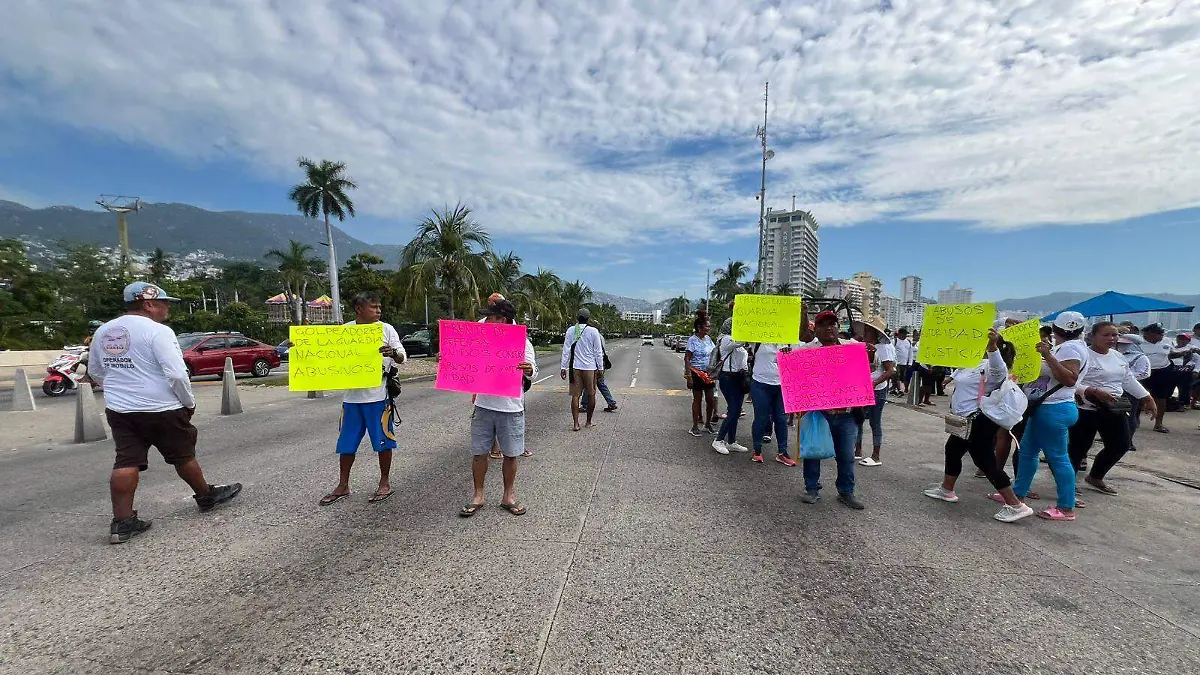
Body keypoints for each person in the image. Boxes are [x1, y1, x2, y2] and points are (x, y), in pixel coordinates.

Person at [89, 282, 242, 544]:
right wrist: (188, 401)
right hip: (161, 407)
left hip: (121, 409)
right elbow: (176, 373)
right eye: (163, 302)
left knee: (126, 460)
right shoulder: (158, 332)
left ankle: (122, 522)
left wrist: (120, 391)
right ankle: (205, 496)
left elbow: (95, 371)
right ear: (148, 304)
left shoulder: (104, 331)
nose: (167, 307)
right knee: (182, 455)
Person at [923, 330, 1034, 522]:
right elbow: (955, 374)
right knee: (952, 450)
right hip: (965, 420)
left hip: (979, 420)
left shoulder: (990, 365)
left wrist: (992, 349)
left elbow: (1000, 372)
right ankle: (946, 489)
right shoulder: (970, 362)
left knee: (984, 461)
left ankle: (1015, 505)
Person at [319, 292, 405, 506]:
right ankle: (343, 484)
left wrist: (393, 353)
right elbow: (326, 354)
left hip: (378, 397)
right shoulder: (345, 331)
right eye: (373, 307)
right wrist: (303, 349)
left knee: (383, 442)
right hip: (352, 399)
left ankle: (384, 482)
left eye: (379, 307)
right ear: (359, 309)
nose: (378, 311)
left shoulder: (386, 329)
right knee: (346, 443)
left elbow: (402, 357)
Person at [460, 298, 536, 517]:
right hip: (483, 405)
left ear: (502, 320)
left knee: (511, 454)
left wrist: (528, 369)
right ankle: (478, 495)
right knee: (478, 453)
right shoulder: (482, 337)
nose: (485, 321)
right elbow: (464, 357)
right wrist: (447, 359)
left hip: (511, 407)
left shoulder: (522, 342)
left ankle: (508, 496)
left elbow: (534, 371)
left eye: (490, 318)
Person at [1011, 311, 1089, 521]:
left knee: (1058, 458)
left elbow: (1069, 379)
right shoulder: (1071, 347)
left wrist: (1048, 355)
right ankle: (1016, 495)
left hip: (1054, 408)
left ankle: (1066, 507)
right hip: (1048, 408)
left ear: (1055, 328)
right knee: (1027, 452)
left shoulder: (1069, 348)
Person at [1068, 321, 1157, 496]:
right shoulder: (1082, 355)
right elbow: (1071, 382)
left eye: (1114, 335)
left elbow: (1128, 379)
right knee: (1079, 448)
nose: (1111, 338)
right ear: (1092, 336)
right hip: (1085, 408)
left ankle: (1095, 476)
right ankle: (1067, 483)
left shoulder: (1118, 356)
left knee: (1121, 444)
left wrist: (1146, 397)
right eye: (1106, 335)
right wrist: (1091, 391)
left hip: (1113, 407)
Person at [799, 311, 864, 509]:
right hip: (818, 414)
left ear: (838, 327)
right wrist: (784, 355)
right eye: (824, 324)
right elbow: (790, 372)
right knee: (813, 452)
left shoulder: (851, 349)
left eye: (833, 324)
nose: (829, 328)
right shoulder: (806, 351)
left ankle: (846, 491)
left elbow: (863, 374)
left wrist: (868, 351)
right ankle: (812, 488)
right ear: (816, 329)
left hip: (846, 414)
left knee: (846, 456)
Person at [1140, 323, 1194, 433]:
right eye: (1160, 334)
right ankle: (1134, 420)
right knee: (1139, 395)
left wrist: (1182, 353)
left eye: (1162, 334)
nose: (1162, 336)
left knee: (1162, 398)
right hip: (1144, 372)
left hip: (1163, 370)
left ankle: (1158, 423)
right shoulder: (1139, 342)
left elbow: (1169, 354)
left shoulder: (1166, 341)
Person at [856, 316, 895, 467]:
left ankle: (876, 455)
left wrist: (874, 383)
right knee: (858, 419)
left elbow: (890, 371)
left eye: (868, 330)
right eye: (864, 329)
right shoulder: (864, 345)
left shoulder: (883, 348)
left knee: (874, 422)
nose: (865, 332)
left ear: (875, 332)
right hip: (863, 388)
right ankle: (857, 450)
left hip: (877, 390)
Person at [560, 308, 604, 431]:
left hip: (575, 368)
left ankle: (575, 424)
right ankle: (588, 422)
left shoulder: (571, 330)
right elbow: (598, 352)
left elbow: (566, 350)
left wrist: (563, 367)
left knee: (575, 396)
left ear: (577, 318)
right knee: (591, 394)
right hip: (590, 368)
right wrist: (600, 368)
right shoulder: (593, 331)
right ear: (588, 318)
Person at [712, 316, 750, 455]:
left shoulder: (736, 344)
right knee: (734, 411)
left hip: (739, 378)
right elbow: (742, 340)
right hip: (728, 378)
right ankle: (719, 440)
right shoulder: (726, 339)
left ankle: (731, 441)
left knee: (735, 409)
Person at [684, 310, 718, 436]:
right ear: (699, 327)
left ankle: (707, 424)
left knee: (711, 400)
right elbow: (687, 358)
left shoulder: (708, 339)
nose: (709, 328)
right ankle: (694, 426)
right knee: (697, 399)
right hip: (696, 373)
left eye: (709, 326)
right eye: (707, 326)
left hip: (708, 374)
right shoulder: (692, 340)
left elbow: (714, 352)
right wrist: (689, 377)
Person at [580, 331, 618, 413]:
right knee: (600, 383)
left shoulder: (594, 336)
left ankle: (585, 405)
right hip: (600, 362)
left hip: (595, 363)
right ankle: (611, 403)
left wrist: (598, 366)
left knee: (589, 383)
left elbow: (597, 352)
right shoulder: (599, 336)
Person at [892, 328, 913, 396]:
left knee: (902, 378)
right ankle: (900, 390)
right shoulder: (894, 341)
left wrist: (910, 362)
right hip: (896, 363)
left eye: (906, 334)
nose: (905, 336)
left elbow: (910, 353)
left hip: (904, 363)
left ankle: (893, 389)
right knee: (897, 376)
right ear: (900, 334)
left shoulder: (908, 342)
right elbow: (891, 352)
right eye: (904, 334)